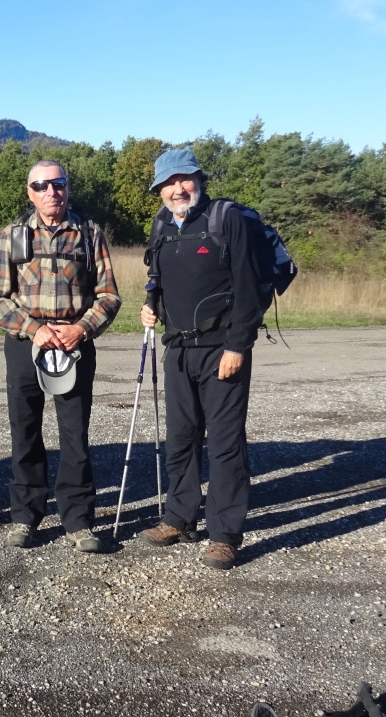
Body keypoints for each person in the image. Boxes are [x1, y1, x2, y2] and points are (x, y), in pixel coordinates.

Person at [138, 148, 264, 571]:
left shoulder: (225, 218)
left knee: (225, 444)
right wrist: (150, 307)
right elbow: (157, 279)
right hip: (177, 348)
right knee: (180, 438)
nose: (178, 188)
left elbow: (248, 287)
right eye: (168, 183)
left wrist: (238, 346)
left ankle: (224, 535)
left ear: (199, 180)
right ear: (159, 189)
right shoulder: (161, 224)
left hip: (221, 349)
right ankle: (179, 517)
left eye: (184, 179)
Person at [0, 160, 121, 552]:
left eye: (57, 184)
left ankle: (78, 521)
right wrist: (34, 330)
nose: (51, 192)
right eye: (41, 186)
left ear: (67, 188)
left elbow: (109, 295)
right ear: (29, 192)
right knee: (24, 431)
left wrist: (82, 329)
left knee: (75, 435)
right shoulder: (13, 235)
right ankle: (25, 517)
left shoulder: (89, 233)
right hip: (26, 342)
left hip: (75, 343)